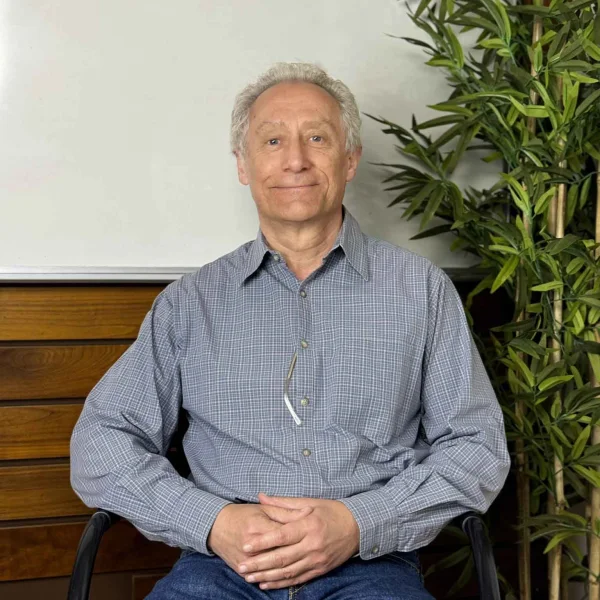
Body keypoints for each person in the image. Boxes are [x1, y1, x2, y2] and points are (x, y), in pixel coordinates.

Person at [70, 62, 510, 600]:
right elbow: (100, 442)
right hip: (217, 569)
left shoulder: (421, 291)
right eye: (273, 140)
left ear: (350, 159)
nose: (296, 160)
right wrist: (212, 522)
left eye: (317, 138)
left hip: (372, 568)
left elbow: (477, 445)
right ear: (244, 164)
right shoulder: (189, 304)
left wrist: (360, 523)